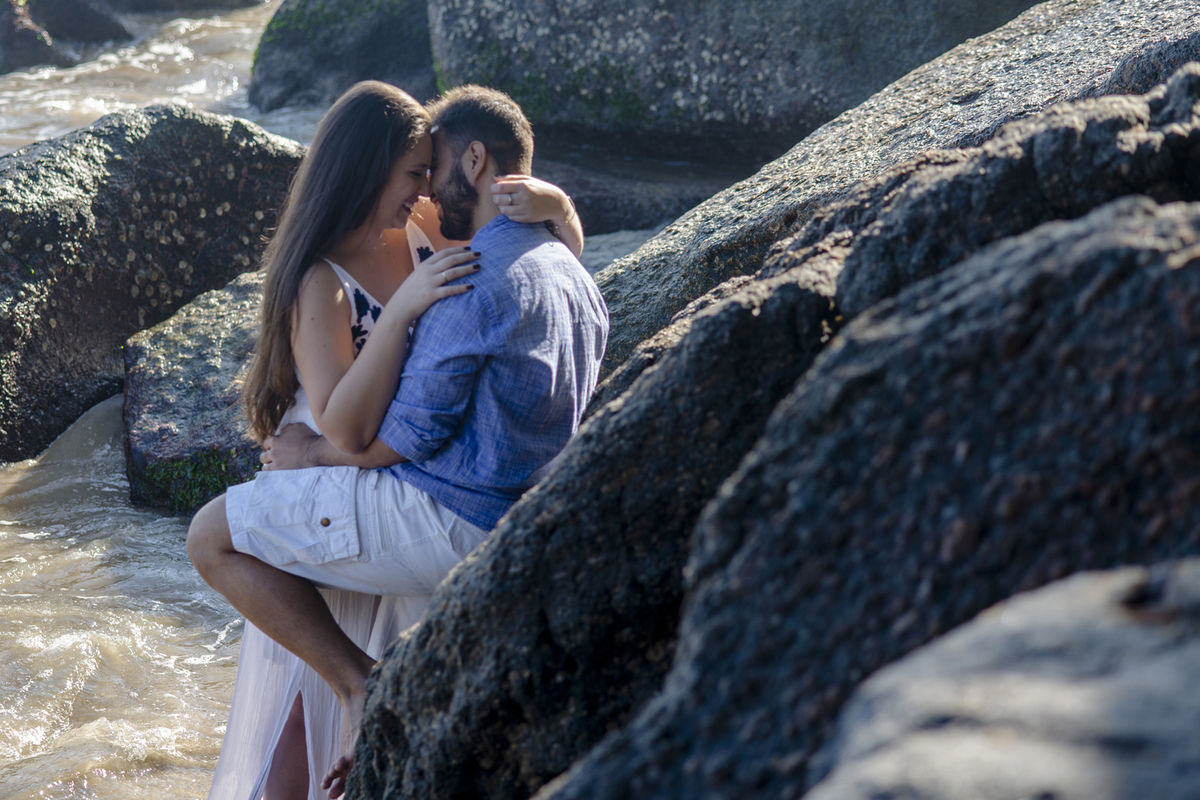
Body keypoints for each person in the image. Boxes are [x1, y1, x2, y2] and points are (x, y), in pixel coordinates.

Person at [188, 83, 608, 799]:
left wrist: (558, 206)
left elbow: (524, 266)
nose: (422, 191)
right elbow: (342, 423)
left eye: (427, 171)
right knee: (301, 701)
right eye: (413, 173)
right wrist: (405, 305)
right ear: (366, 169)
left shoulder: (420, 229)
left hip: (405, 473)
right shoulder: (318, 279)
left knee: (389, 690)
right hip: (341, 470)